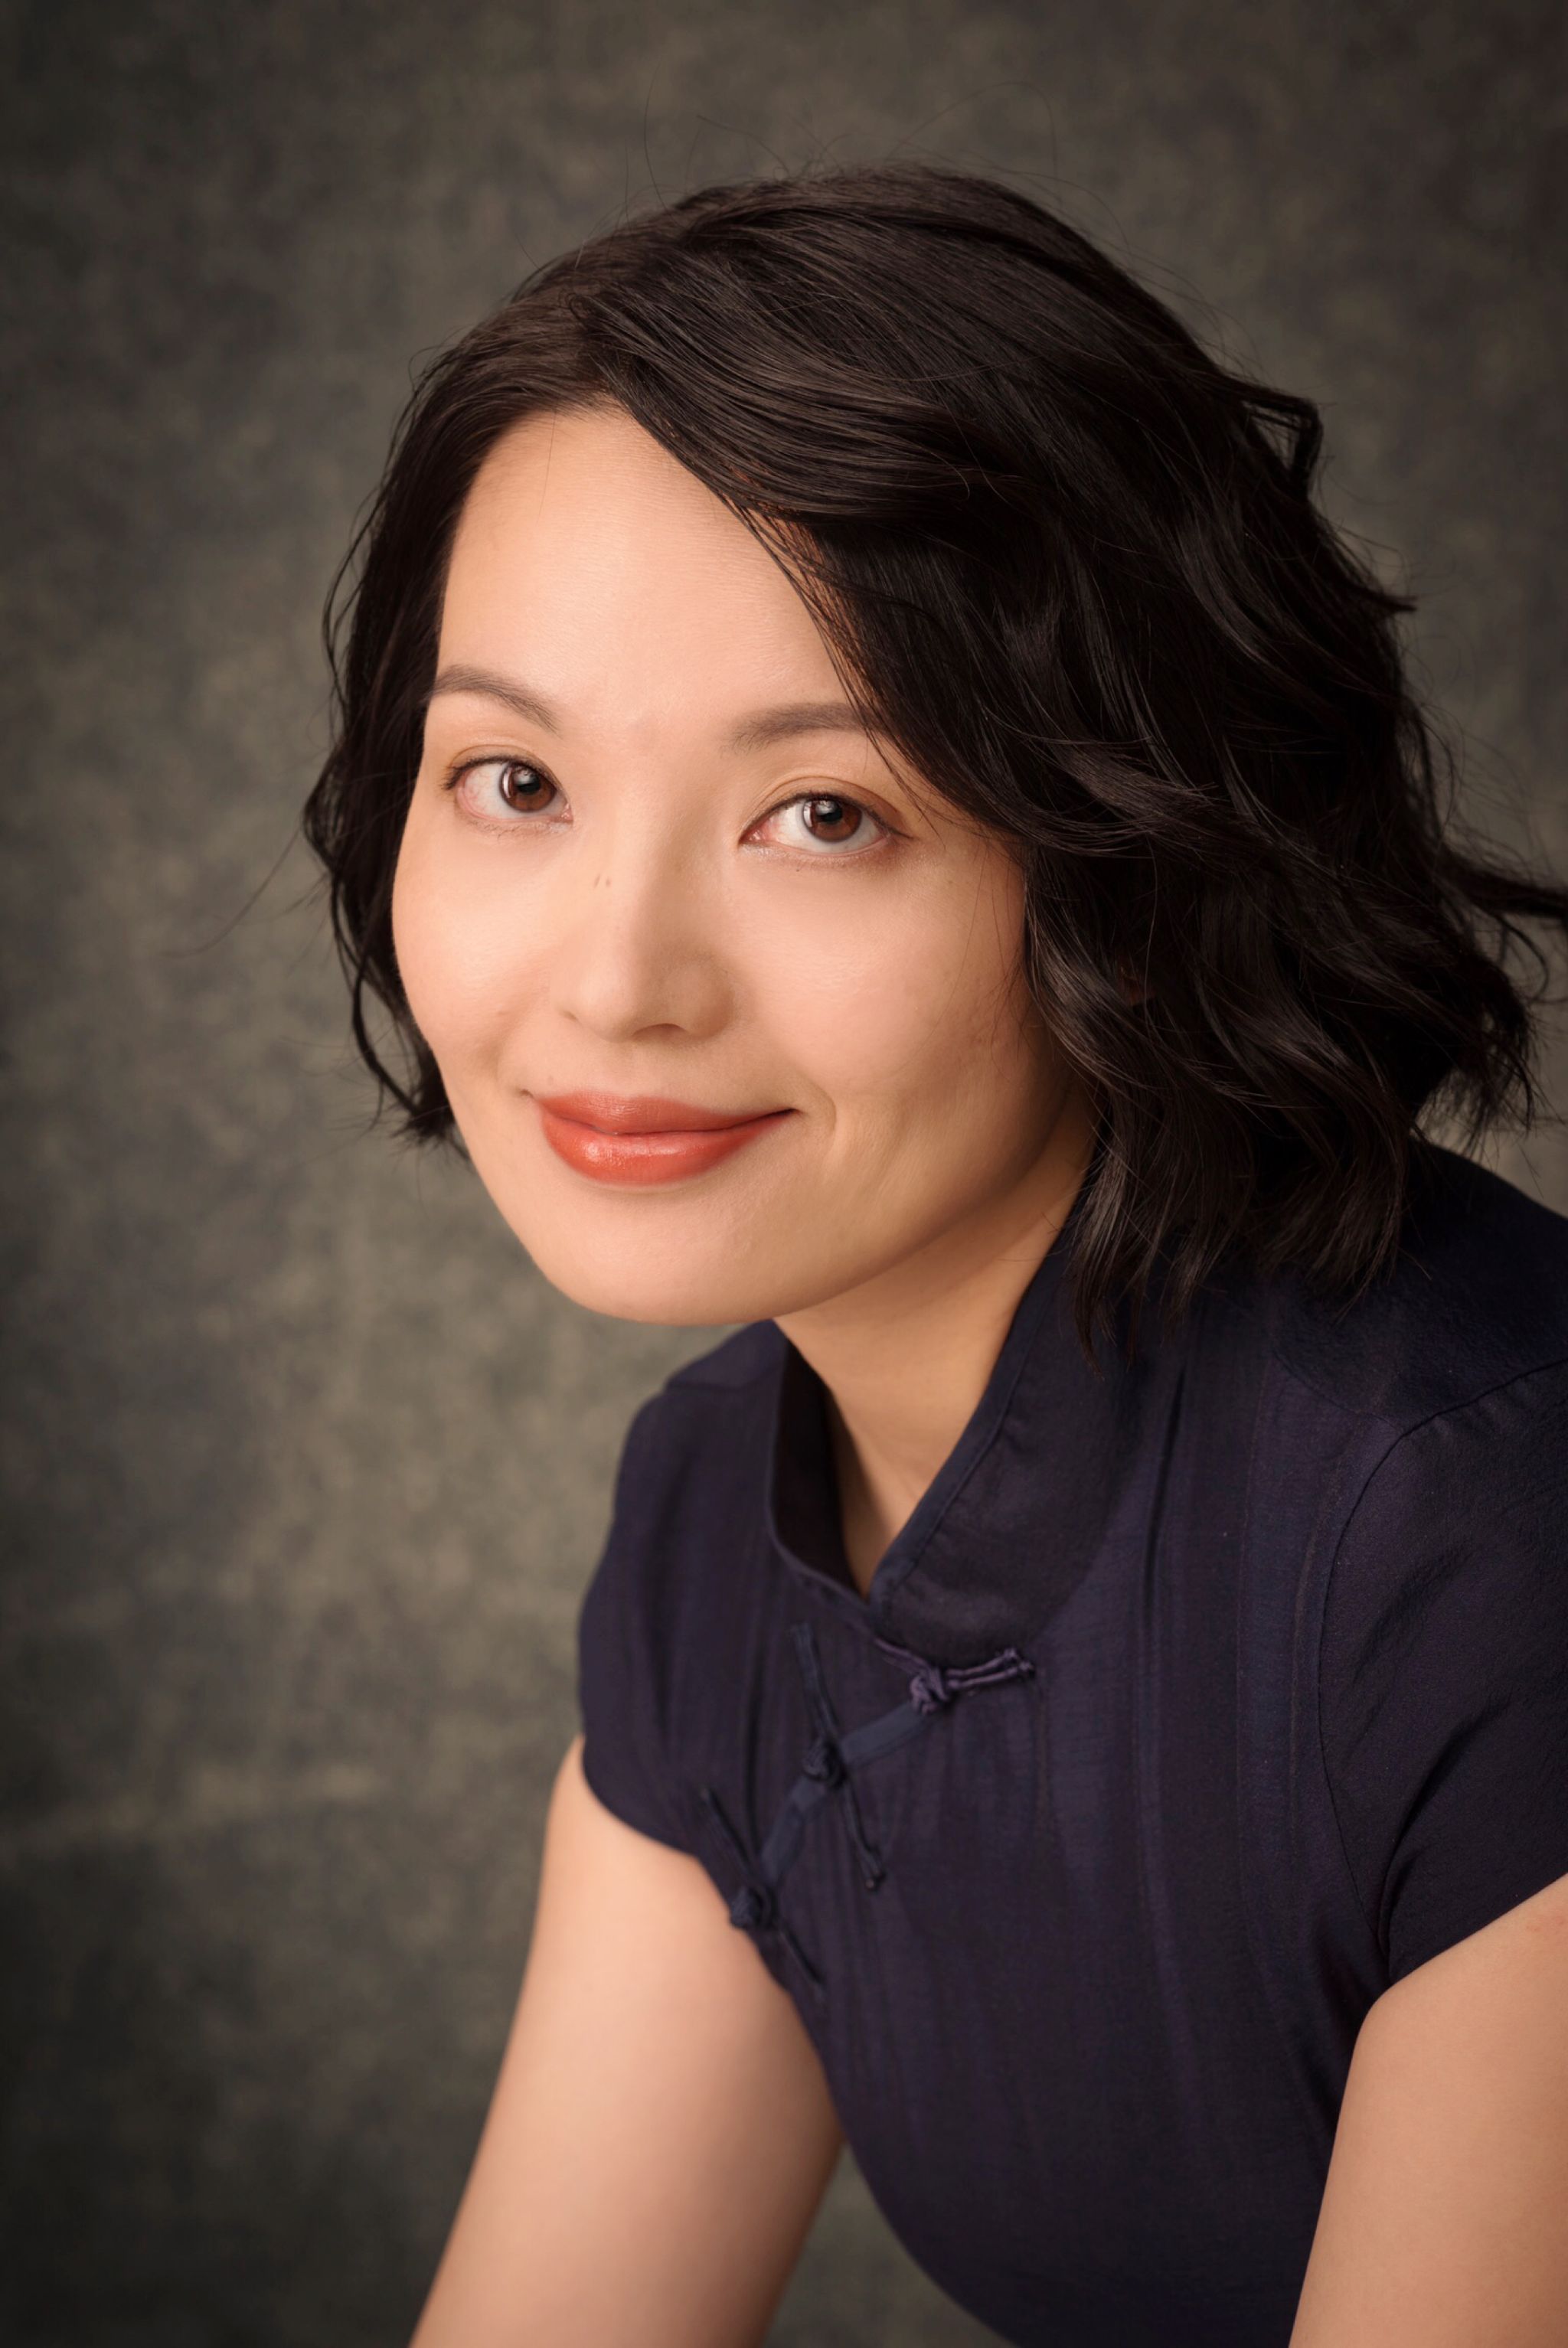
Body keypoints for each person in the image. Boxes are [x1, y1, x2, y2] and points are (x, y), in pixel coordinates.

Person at [302, 163, 1568, 2348]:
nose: (615, 982)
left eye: (826, 813)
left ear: (1128, 865)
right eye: (513, 781)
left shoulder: (1485, 1544)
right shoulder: (713, 1535)